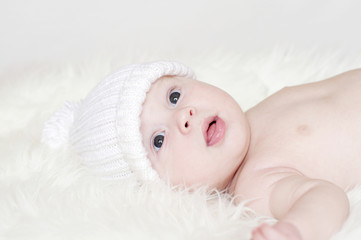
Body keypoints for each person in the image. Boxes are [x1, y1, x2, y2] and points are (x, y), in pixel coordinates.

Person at [42, 61, 361, 240]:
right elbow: (325, 197)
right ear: (164, 188)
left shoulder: (250, 119)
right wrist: (295, 229)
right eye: (158, 140)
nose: (184, 115)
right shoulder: (256, 182)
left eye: (174, 96)